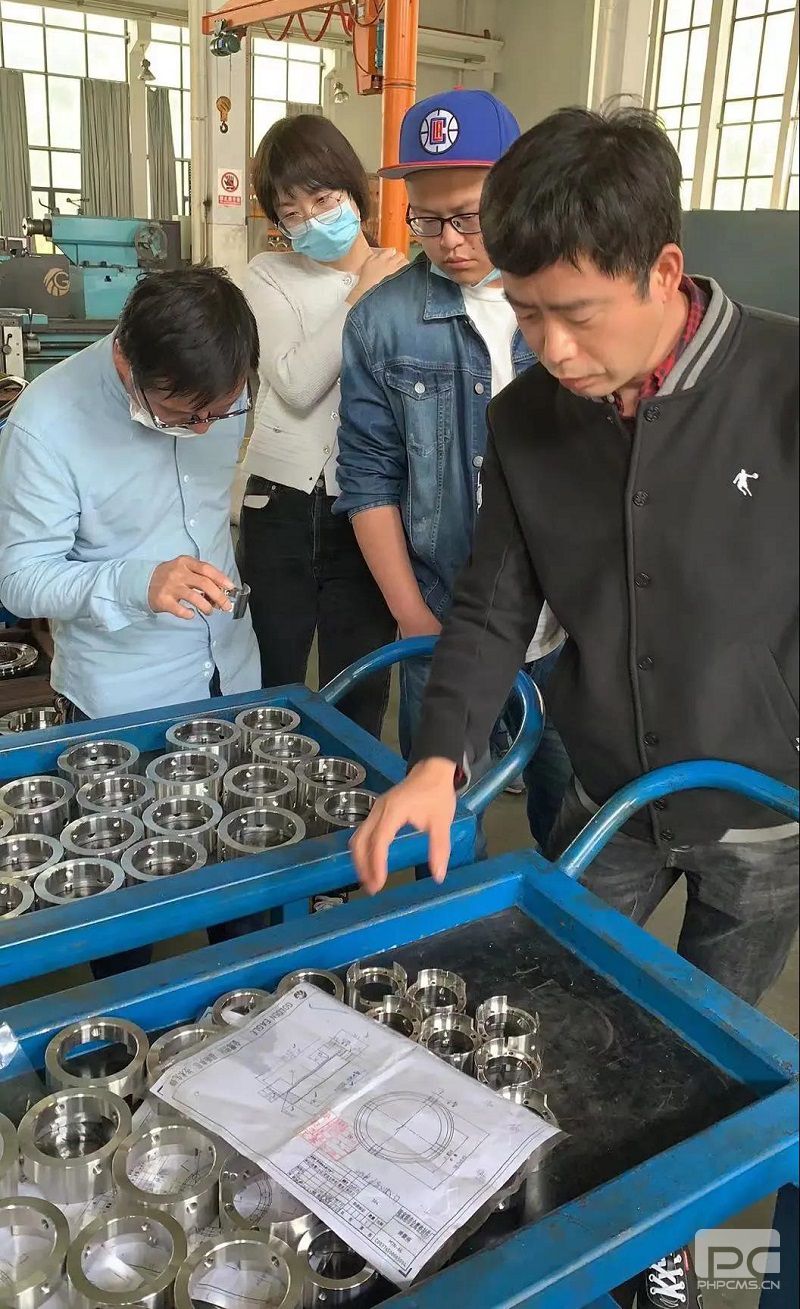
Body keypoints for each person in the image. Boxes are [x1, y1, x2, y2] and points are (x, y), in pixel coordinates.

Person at [351, 106, 799, 1010]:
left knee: (717, 1025)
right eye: (527, 312)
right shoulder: (527, 420)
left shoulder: (785, 384)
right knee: (552, 997)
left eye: (579, 314)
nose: (553, 349)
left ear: (662, 270)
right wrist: (437, 760)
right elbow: (491, 604)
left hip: (766, 809)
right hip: (608, 789)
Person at [0, 265, 265, 974]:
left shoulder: (221, 385)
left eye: (219, 412)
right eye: (184, 414)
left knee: (243, 878)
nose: (204, 428)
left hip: (230, 671)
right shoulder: (46, 424)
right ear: (127, 363)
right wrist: (134, 582)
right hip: (124, 700)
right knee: (125, 904)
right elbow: (19, 579)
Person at [336, 89, 570, 845]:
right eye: (427, 220)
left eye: (469, 216)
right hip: (442, 611)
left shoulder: (571, 302)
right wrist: (413, 616)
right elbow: (368, 477)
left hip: (568, 625)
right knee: (442, 822)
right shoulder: (384, 322)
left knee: (571, 818)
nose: (449, 241)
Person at [239, 114, 404, 736]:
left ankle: (352, 788)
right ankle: (262, 786)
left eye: (323, 200)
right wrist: (361, 294)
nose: (310, 220)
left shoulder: (406, 278)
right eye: (291, 212)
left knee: (360, 679)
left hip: (370, 503)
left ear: (354, 192)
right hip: (279, 501)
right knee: (271, 671)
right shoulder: (266, 275)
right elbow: (295, 383)